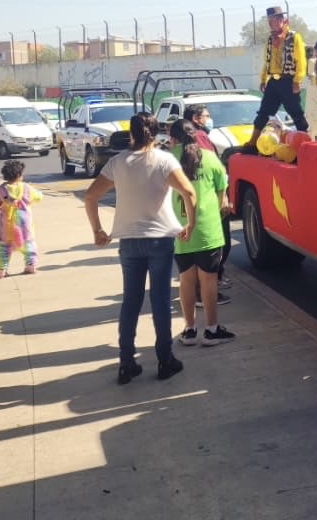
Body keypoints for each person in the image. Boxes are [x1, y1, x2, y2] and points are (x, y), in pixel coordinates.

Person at [84, 113, 198, 385]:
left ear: (131, 134)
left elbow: (91, 196)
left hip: (129, 242)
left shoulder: (117, 162)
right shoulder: (164, 160)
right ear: (156, 133)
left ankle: (126, 363)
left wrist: (98, 230)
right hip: (160, 239)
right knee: (159, 301)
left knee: (131, 301)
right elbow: (189, 193)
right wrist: (189, 225)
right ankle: (164, 359)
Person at [168, 119, 236, 346]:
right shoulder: (208, 156)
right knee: (209, 280)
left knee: (186, 279)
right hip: (208, 227)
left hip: (179, 227)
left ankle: (189, 330)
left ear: (173, 137)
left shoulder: (168, 158)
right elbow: (221, 185)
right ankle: (211, 330)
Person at [183, 105, 235, 296]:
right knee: (219, 244)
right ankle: (210, 285)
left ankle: (204, 286)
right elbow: (215, 170)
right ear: (196, 119)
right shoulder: (200, 138)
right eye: (207, 116)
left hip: (194, 202)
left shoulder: (187, 140)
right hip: (209, 199)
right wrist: (223, 198)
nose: (209, 119)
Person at [246, 6, 309, 151]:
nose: (272, 23)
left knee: (296, 113)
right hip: (273, 81)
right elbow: (266, 61)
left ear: (282, 20)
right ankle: (253, 143)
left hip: (288, 80)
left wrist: (298, 80)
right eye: (270, 20)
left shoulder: (294, 37)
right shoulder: (270, 39)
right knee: (263, 112)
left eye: (274, 19)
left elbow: (301, 60)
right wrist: (263, 79)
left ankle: (305, 143)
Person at [0, 159, 44, 278]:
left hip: (7, 224)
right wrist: (39, 194)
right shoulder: (26, 188)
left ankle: (2, 269)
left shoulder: (1, 189)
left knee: (4, 247)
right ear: (18, 175)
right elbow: (38, 197)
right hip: (24, 224)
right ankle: (30, 265)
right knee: (28, 244)